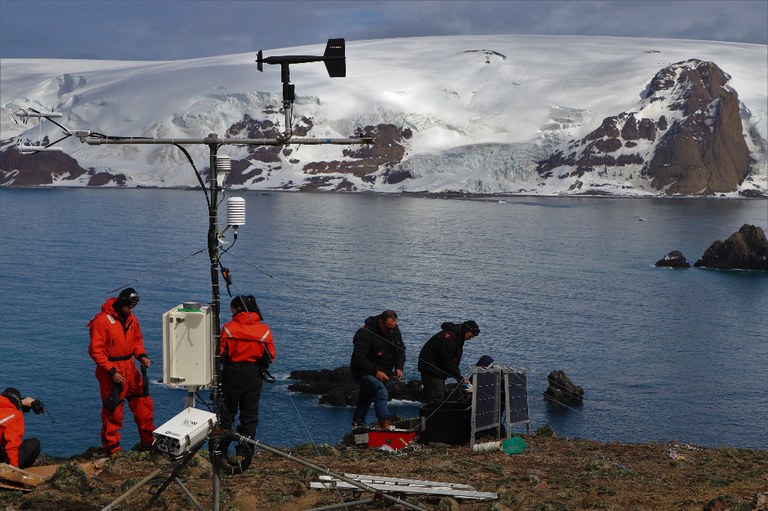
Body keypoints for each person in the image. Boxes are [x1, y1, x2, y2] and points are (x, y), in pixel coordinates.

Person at [88, 287, 155, 456]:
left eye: (133, 307)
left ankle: (148, 441)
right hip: (111, 370)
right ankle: (112, 449)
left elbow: (137, 342)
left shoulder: (132, 319)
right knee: (113, 411)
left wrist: (142, 357)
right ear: (121, 303)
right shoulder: (101, 321)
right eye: (129, 307)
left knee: (143, 403)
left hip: (130, 367)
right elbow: (96, 350)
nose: (131, 310)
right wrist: (112, 371)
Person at [219, 295, 276, 448]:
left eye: (232, 309)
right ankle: (245, 453)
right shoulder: (264, 331)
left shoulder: (228, 328)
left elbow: (219, 354)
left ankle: (220, 451)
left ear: (238, 309)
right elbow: (270, 356)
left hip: (231, 374)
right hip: (253, 375)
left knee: (226, 414)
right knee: (249, 416)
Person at [350, 310, 405, 430]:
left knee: (366, 396)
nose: (391, 331)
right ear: (381, 322)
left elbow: (400, 349)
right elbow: (358, 358)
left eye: (393, 328)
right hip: (363, 371)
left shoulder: (394, 329)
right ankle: (384, 423)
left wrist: (399, 367)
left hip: (383, 370)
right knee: (380, 391)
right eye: (388, 328)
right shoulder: (365, 333)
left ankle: (357, 423)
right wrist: (376, 372)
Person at [418, 320, 480, 403]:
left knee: (432, 396)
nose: (470, 339)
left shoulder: (457, 337)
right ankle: (433, 415)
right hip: (431, 370)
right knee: (438, 398)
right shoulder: (450, 338)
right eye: (470, 336)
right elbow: (446, 362)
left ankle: (425, 413)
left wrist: (459, 377)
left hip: (435, 369)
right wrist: (459, 377)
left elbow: (453, 361)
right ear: (466, 331)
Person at [0, 388, 43, 468]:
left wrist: (21, 403)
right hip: (5, 461)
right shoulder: (15, 416)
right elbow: (10, 446)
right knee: (35, 443)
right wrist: (13, 469)